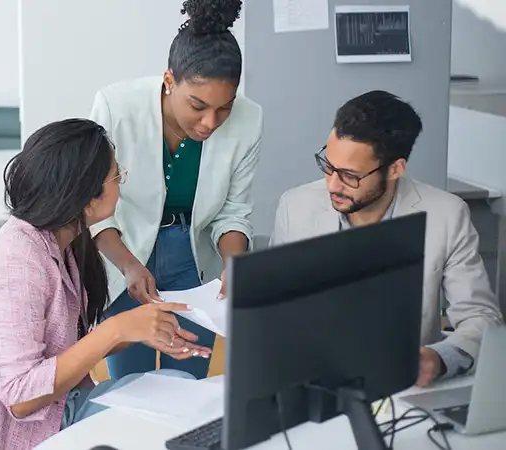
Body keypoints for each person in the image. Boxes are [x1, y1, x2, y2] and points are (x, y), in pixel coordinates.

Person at [0, 119, 208, 450]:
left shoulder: (61, 240)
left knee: (178, 384)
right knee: (166, 422)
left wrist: (141, 331)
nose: (122, 178)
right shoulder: (17, 262)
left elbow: (64, 351)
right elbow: (21, 397)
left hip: (56, 412)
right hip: (4, 438)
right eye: (114, 174)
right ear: (86, 199)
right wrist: (117, 330)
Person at [270, 90, 504, 387]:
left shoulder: (447, 215)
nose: (332, 184)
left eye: (349, 176)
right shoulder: (295, 207)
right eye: (328, 166)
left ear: (395, 169)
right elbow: (274, 311)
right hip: (312, 383)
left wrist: (439, 359)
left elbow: (482, 318)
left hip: (402, 390)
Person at [89, 0, 262, 380]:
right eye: (197, 105)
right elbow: (93, 208)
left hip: (193, 257)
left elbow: (234, 212)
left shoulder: (250, 121)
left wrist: (235, 265)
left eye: (225, 108)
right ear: (169, 81)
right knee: (129, 383)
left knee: (188, 374)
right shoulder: (117, 108)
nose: (210, 122)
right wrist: (129, 265)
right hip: (125, 250)